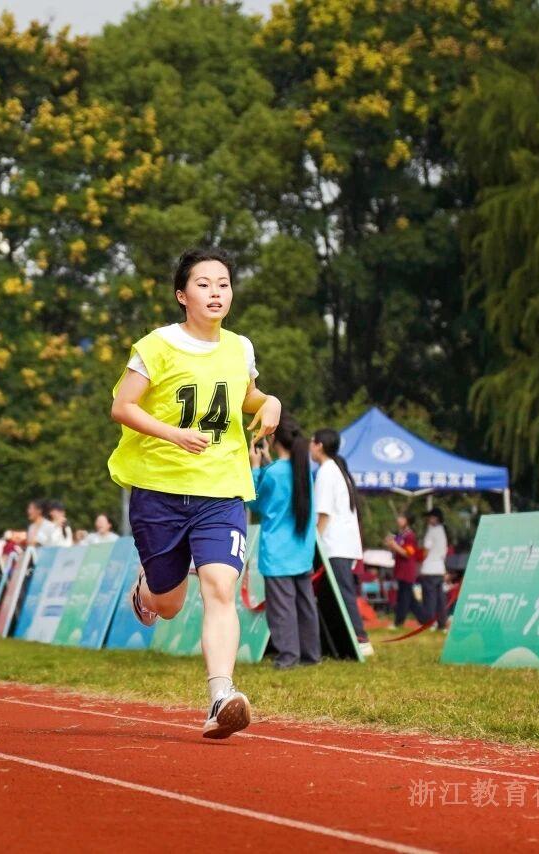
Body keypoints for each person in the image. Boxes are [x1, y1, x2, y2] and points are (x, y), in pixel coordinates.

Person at [108, 246, 280, 739]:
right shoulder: (156, 346)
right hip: (160, 489)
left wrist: (269, 402)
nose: (215, 293)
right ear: (182, 295)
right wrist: (173, 434)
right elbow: (122, 406)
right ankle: (145, 590)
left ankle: (221, 696)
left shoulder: (240, 348)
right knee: (169, 605)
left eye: (223, 284)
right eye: (203, 284)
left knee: (221, 587)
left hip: (221, 489)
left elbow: (246, 395)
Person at [249, 416, 321, 670]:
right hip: (301, 549)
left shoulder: (273, 472)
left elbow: (255, 502)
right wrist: (267, 463)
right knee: (305, 604)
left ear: (272, 438)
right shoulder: (303, 470)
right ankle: (311, 655)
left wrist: (255, 467)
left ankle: (288, 657)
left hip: (277, 552)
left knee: (282, 608)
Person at [310, 428, 372, 657]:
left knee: (344, 593)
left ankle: (361, 638)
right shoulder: (336, 470)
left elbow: (324, 514)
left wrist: (313, 543)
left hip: (334, 544)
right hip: (341, 544)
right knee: (338, 593)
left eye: (312, 442)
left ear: (319, 445)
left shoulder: (327, 471)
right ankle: (344, 639)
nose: (310, 447)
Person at [385, 513, 427, 628]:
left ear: (407, 520)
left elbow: (408, 553)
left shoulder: (409, 536)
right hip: (400, 569)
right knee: (411, 600)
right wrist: (390, 544)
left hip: (407, 571)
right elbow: (397, 550)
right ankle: (424, 620)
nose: (398, 520)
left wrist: (394, 545)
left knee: (403, 598)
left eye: (401, 518)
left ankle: (398, 622)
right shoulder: (401, 535)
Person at [420, 508, 450, 631]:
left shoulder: (431, 531)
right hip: (440, 568)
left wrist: (421, 561)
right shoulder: (443, 531)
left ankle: (430, 623)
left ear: (435, 518)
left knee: (429, 599)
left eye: (430, 517)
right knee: (440, 599)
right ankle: (442, 623)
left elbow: (426, 550)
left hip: (429, 568)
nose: (428, 519)